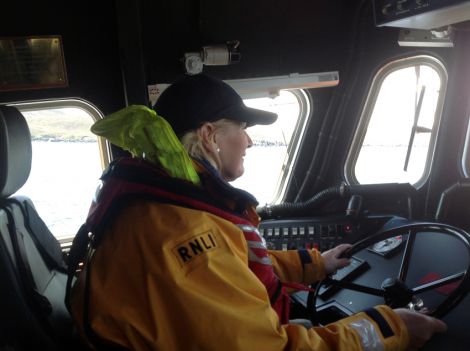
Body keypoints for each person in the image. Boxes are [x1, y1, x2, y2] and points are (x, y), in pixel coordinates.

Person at [68, 73, 446, 351]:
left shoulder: (165, 207)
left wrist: (311, 264)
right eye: (242, 129)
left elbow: (227, 267)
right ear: (210, 136)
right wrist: (390, 328)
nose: (248, 140)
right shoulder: (185, 235)